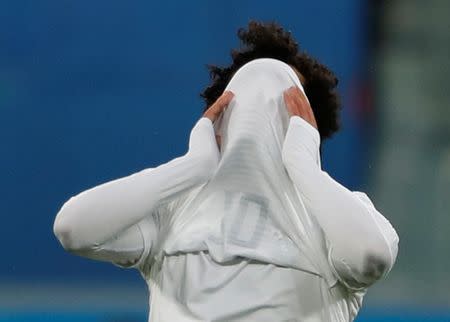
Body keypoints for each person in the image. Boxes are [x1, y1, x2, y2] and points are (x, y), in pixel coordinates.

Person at [53, 20, 399, 321]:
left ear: (307, 126)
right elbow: (73, 227)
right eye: (241, 96)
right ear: (218, 118)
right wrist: (191, 167)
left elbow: (370, 254)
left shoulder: (336, 219)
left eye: (288, 103)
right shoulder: (173, 212)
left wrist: (304, 166)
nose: (261, 102)